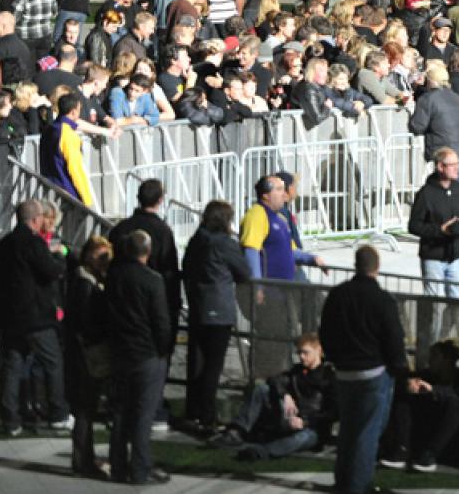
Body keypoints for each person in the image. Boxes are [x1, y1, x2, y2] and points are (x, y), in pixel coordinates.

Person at [320, 245, 408, 494]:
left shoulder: (338, 295)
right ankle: (359, 485)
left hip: (344, 370)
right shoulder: (382, 300)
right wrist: (399, 369)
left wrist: (335, 359)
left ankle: (344, 481)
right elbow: (394, 339)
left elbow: (325, 331)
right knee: (367, 431)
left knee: (348, 428)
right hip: (373, 371)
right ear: (376, 268)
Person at [108, 178, 181, 429]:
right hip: (151, 307)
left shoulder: (121, 229)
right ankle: (153, 409)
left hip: (120, 308)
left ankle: (121, 405)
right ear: (160, 200)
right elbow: (170, 271)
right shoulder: (162, 232)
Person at [240, 174, 326, 376]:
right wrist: (257, 285)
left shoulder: (279, 219)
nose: (283, 194)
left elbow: (290, 251)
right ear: (266, 195)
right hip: (269, 294)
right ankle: (264, 381)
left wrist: (311, 259)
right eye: (278, 190)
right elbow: (251, 250)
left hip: (283, 294)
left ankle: (281, 382)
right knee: (271, 342)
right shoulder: (257, 215)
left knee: (283, 338)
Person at [106, 230, 172, 485]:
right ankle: (140, 469)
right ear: (147, 251)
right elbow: (161, 321)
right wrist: (163, 348)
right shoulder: (152, 280)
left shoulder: (114, 275)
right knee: (143, 415)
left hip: (121, 351)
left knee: (121, 411)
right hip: (147, 353)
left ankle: (118, 466)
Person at [0, 200, 70, 436]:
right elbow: (52, 271)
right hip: (36, 317)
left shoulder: (5, 244)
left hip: (11, 317)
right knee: (53, 363)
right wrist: (60, 257)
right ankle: (58, 414)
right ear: (35, 219)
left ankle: (10, 419)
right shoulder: (34, 243)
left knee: (13, 365)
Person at [211, 333, 337, 461]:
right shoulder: (297, 371)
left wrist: (305, 421)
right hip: (290, 417)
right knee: (261, 389)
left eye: (305, 352)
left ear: (318, 350)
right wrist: (285, 395)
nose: (301, 357)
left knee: (302, 438)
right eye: (299, 353)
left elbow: (333, 412)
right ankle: (237, 431)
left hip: (312, 428)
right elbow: (275, 379)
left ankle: (261, 452)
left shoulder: (329, 377)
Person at [182, 200, 250, 432]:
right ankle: (208, 415)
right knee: (213, 365)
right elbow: (243, 272)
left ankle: (193, 411)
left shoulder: (197, 239)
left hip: (198, 304)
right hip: (218, 308)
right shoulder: (224, 244)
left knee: (197, 361)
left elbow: (187, 266)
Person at [407, 146, 459, 341]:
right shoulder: (426, 194)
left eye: (457, 164)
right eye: (452, 165)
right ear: (440, 167)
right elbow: (414, 226)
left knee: (456, 302)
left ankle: (450, 340)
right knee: (434, 306)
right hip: (433, 257)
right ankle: (431, 344)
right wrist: (440, 231)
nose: (457, 168)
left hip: (455, 256)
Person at [379, 339, 459, 472]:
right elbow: (406, 380)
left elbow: (458, 397)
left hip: (450, 440)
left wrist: (432, 390)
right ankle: (401, 450)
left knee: (454, 405)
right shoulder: (427, 375)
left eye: (434, 357)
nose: (430, 361)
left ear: (446, 360)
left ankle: (430, 455)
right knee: (404, 397)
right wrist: (408, 384)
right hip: (424, 431)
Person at [64, 235, 112, 478]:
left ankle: (84, 458)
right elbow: (84, 322)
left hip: (80, 354)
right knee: (85, 408)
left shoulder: (84, 281)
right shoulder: (85, 284)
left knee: (86, 409)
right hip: (84, 356)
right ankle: (83, 460)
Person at [408, 63, 459, 189]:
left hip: (447, 155)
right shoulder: (455, 97)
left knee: (448, 198)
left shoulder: (427, 99)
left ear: (430, 81)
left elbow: (417, 126)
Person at [39, 92, 93, 206]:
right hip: (68, 192)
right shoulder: (68, 134)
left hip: (49, 188)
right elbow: (74, 167)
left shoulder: (49, 129)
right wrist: (86, 198)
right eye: (79, 110)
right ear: (73, 112)